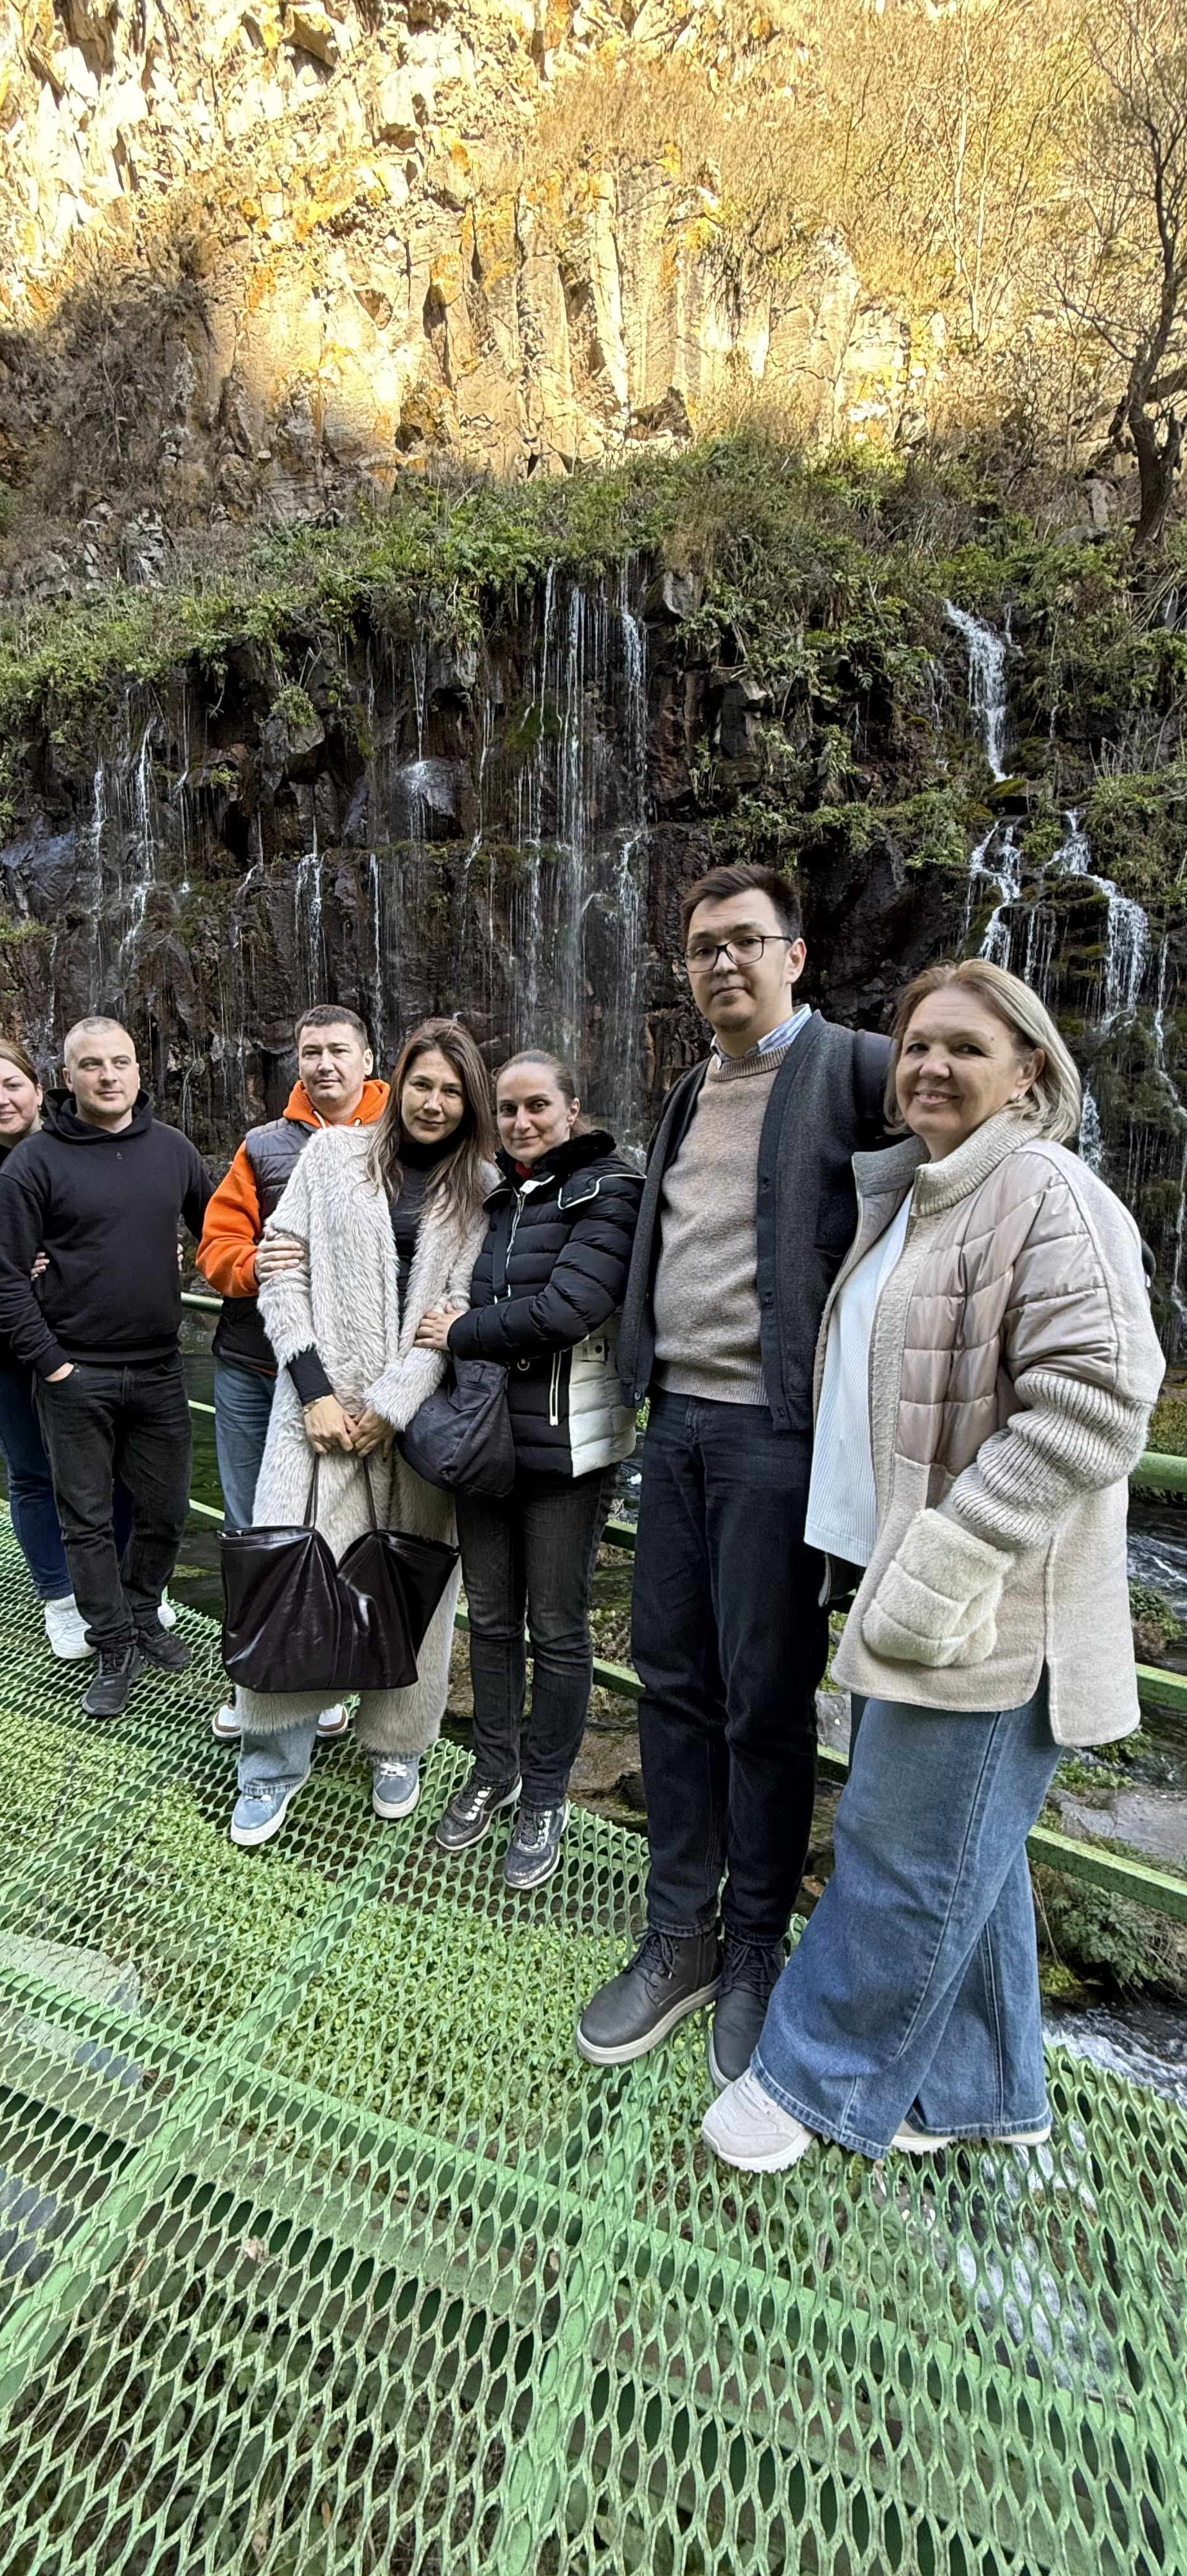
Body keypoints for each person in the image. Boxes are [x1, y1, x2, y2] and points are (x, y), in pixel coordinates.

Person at [701, 958, 1164, 2172]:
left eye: (964, 1046)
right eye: (913, 1045)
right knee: (971, 1853)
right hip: (914, 1582)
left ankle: (814, 2082)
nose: (929, 1067)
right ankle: (980, 2089)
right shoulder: (927, 1189)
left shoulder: (1046, 1192)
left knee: (899, 1855)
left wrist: (949, 1551)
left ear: (1029, 1071)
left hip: (987, 1606)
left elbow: (1101, 1399)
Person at [576, 863, 891, 2084]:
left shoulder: (857, 1068)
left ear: (793, 955)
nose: (719, 963)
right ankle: (679, 1933)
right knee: (670, 1681)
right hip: (678, 1429)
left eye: (742, 942)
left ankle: (756, 1941)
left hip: (777, 1435)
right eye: (700, 947)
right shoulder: (690, 1090)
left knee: (765, 1696)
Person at [228, 1017, 497, 1845]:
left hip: (409, 1429)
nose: (435, 1102)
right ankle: (273, 1763)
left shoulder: (482, 1189)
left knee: (408, 1587)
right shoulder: (334, 1154)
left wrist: (390, 1407)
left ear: (471, 1101)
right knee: (289, 1573)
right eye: (424, 1083)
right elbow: (281, 1269)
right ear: (397, 1082)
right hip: (311, 1415)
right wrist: (312, 1390)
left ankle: (397, 1745)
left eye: (453, 1091)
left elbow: (457, 1313)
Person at [413, 1051, 642, 1889]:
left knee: (559, 1627)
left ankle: (545, 1795)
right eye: (506, 1110)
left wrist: (464, 1331)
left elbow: (571, 1310)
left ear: (571, 1108)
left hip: (568, 1452)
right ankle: (492, 1770)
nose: (520, 1123)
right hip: (486, 1443)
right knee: (494, 1622)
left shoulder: (609, 1189)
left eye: (536, 1106)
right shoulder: (499, 1198)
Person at [0, 1016, 211, 1721]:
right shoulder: (35, 1162)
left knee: (167, 1510)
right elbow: (2, 1280)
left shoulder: (174, 1151)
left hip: (160, 1369)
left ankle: (143, 1611)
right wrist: (52, 1367)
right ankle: (111, 1644)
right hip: (75, 1374)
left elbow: (222, 1236)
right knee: (84, 1518)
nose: (109, 1076)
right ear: (68, 1077)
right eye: (92, 1065)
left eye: (121, 1062)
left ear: (140, 1071)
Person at [0, 1036, 148, 1658]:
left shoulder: (85, 1151)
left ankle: (120, 1587)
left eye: (12, 1085)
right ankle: (63, 1601)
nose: (0, 1099)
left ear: (41, 1089)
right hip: (7, 1360)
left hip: (94, 1349)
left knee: (116, 1472)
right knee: (36, 1477)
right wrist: (6, 1282)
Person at [197, 1005, 388, 1742]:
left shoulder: (402, 1137)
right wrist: (253, 1266)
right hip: (256, 1366)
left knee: (351, 1534)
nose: (325, 1065)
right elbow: (216, 1249)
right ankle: (259, 1682)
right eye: (311, 1052)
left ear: (369, 1058)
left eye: (339, 1050)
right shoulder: (263, 1146)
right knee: (257, 1534)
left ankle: (330, 1680)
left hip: (356, 1381)